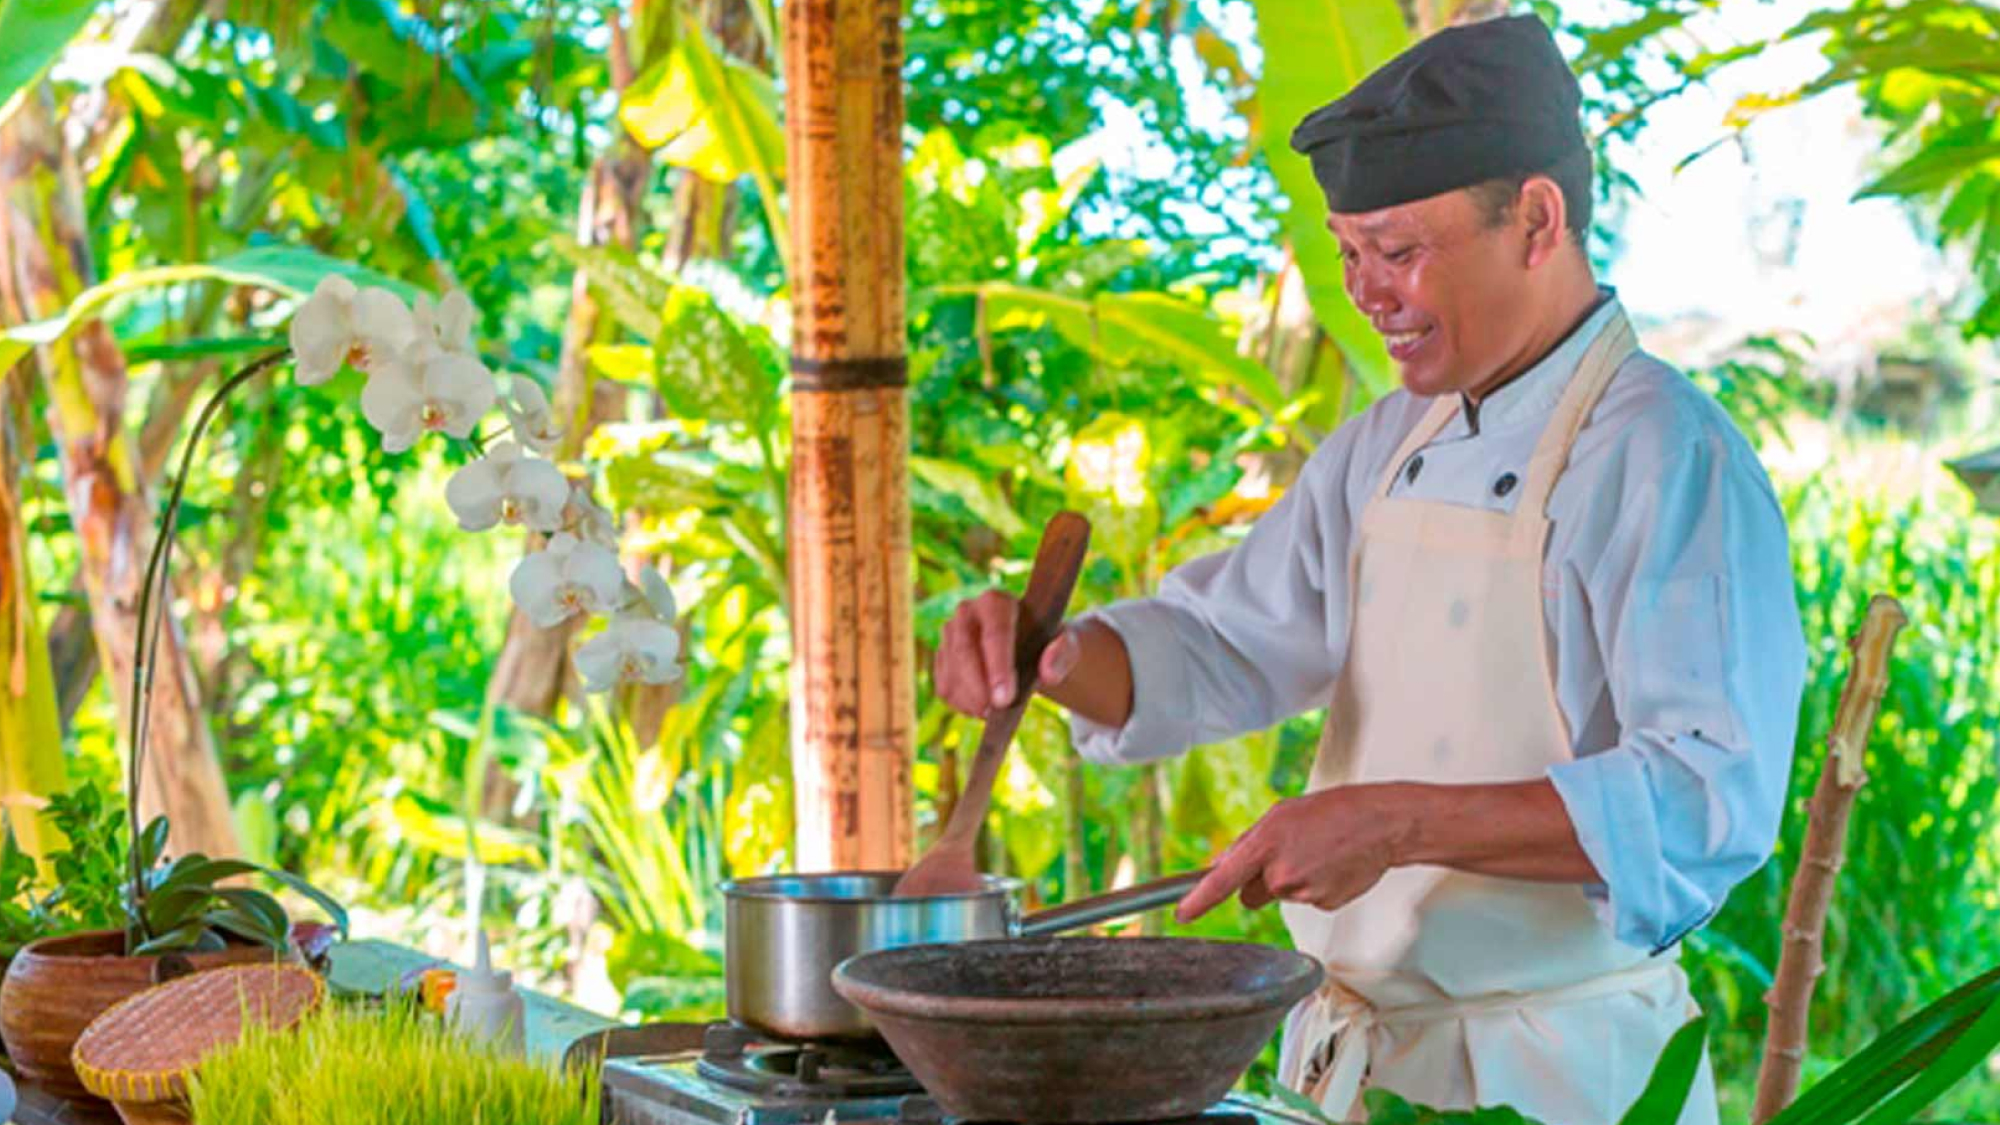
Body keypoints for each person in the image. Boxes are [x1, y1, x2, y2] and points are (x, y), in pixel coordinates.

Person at [930, 14, 1807, 1124]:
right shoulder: (1385, 445)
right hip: (1359, 1073)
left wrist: (1395, 824)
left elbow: (1704, 797)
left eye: (1396, 252)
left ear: (1536, 219)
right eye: (1347, 253)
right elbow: (1224, 643)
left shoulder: (1663, 455)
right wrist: (1054, 657)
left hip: (1564, 1077)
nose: (1363, 291)